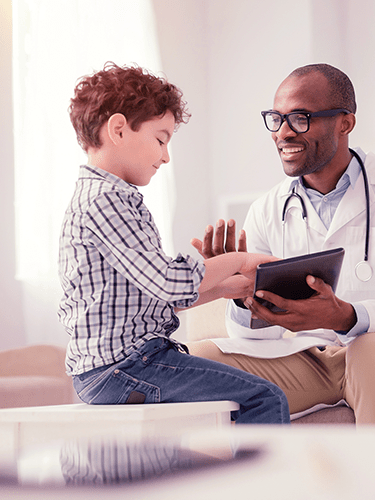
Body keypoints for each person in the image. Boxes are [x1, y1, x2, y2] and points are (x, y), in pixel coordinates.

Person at [189, 63, 375, 424]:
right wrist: (237, 291)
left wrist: (347, 316)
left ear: (345, 122)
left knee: (371, 351)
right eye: (276, 119)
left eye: (299, 118)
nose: (283, 133)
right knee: (200, 360)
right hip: (308, 358)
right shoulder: (267, 208)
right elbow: (250, 335)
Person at [58, 62, 290, 425]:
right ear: (118, 129)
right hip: (124, 367)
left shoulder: (106, 197)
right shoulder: (107, 200)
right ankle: (259, 484)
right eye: (161, 139)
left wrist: (229, 288)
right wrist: (240, 260)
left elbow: (152, 299)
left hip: (115, 367)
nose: (165, 156)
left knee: (251, 394)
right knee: (264, 398)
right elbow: (168, 283)